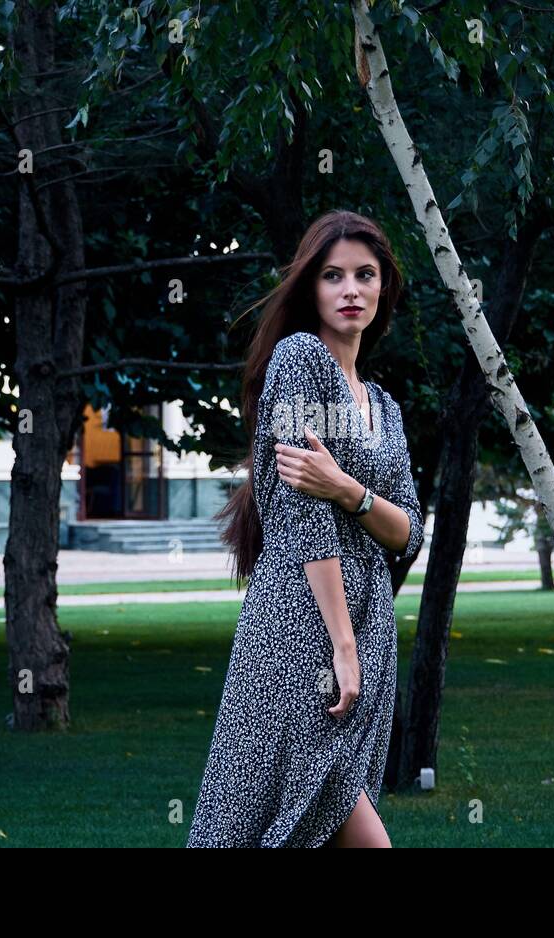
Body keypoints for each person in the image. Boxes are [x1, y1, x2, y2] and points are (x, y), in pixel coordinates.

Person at [187, 210, 426, 848]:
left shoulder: (385, 406)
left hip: (368, 631)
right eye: (333, 276)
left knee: (312, 821)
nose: (350, 289)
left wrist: (348, 490)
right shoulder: (300, 360)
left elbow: (409, 533)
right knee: (282, 812)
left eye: (365, 275)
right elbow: (302, 520)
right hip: (302, 629)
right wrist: (342, 649)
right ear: (312, 289)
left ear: (384, 289)